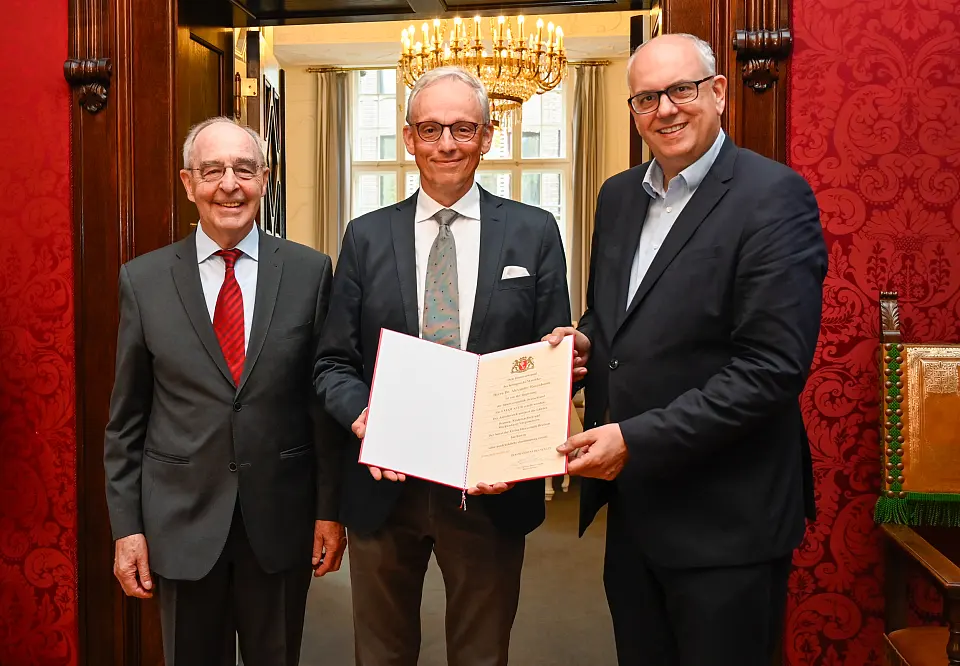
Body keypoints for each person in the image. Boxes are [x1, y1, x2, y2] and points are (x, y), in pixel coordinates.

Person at [545, 34, 827, 666]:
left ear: (719, 93)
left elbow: (770, 370)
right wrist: (586, 337)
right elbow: (615, 314)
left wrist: (635, 441)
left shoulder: (773, 198)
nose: (666, 109)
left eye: (682, 90)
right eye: (647, 97)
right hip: (637, 514)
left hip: (727, 519)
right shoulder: (618, 197)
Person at [315, 66, 571, 666]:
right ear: (408, 138)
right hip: (385, 486)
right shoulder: (366, 237)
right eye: (431, 129)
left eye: (462, 128)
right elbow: (332, 363)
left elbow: (548, 359)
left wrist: (521, 448)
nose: (446, 144)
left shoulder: (534, 233)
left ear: (488, 135)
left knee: (483, 654)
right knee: (380, 653)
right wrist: (364, 418)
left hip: (489, 490)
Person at [103, 117, 346, 666]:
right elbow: (127, 420)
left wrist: (330, 511)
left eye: (243, 169)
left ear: (266, 178)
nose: (228, 185)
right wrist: (128, 529)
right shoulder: (143, 281)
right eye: (212, 170)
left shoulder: (310, 273)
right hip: (179, 525)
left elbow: (321, 406)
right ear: (188, 183)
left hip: (281, 520)